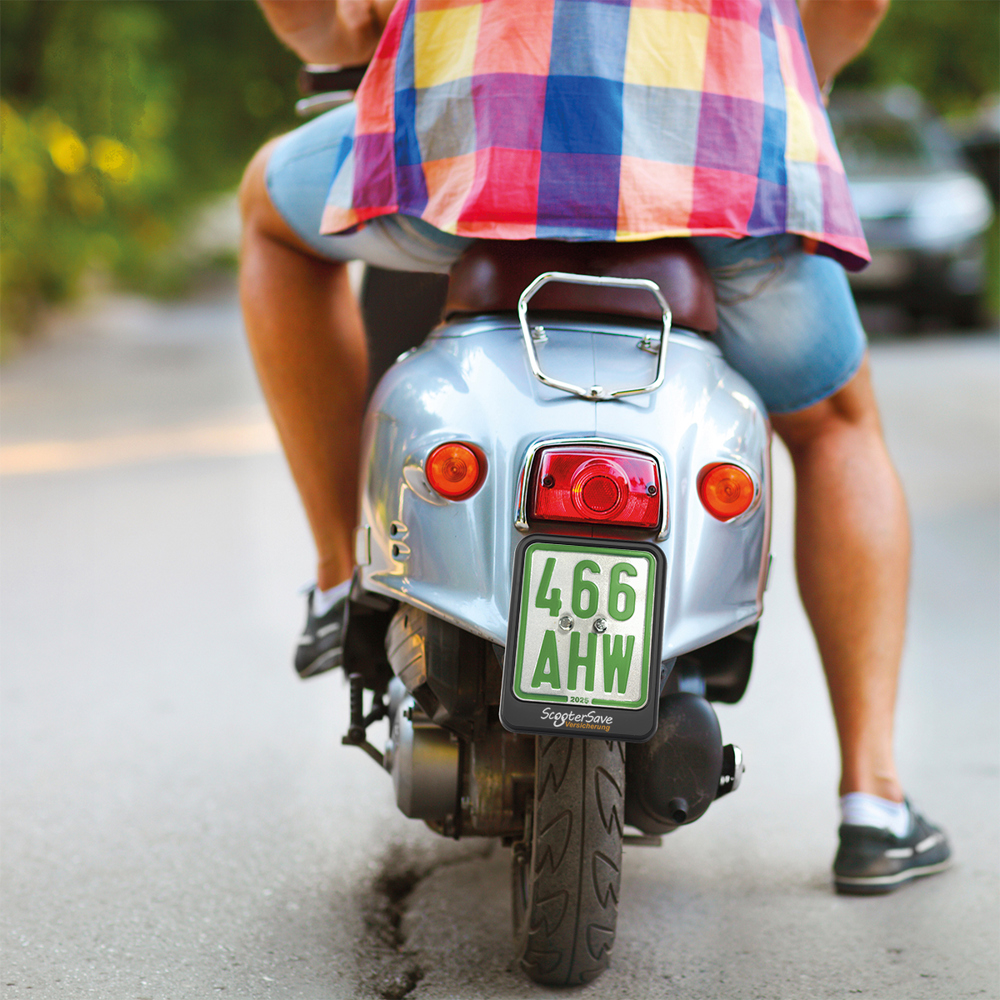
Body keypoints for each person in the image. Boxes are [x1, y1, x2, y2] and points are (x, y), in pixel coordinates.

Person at [239, 0, 950, 894]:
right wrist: (798, 73)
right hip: (724, 171)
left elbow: (315, 17)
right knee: (838, 427)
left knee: (267, 211)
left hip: (474, 161)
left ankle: (339, 575)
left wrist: (343, 33)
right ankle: (874, 802)